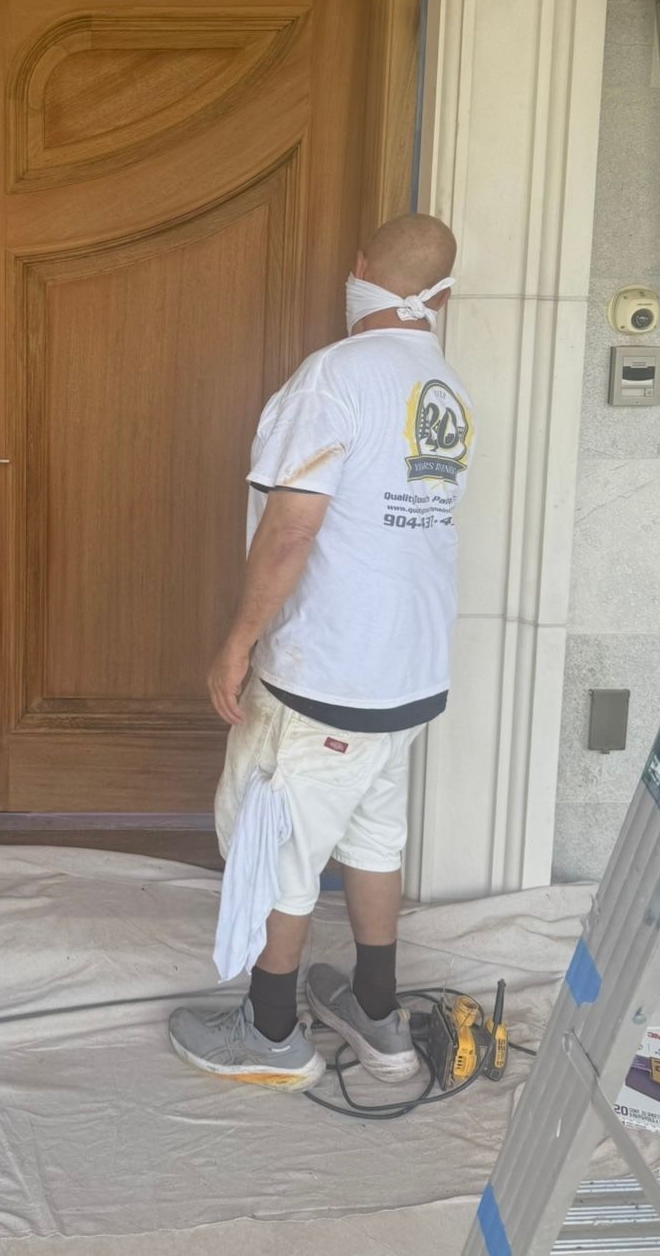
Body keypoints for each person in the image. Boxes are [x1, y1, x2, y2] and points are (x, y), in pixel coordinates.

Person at [169, 214, 473, 1092]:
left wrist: (238, 642)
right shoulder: (445, 388)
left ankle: (270, 1032)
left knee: (277, 847)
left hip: (328, 677)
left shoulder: (333, 379)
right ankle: (376, 1016)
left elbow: (292, 527)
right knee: (376, 834)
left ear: (360, 270)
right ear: (443, 296)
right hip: (411, 676)